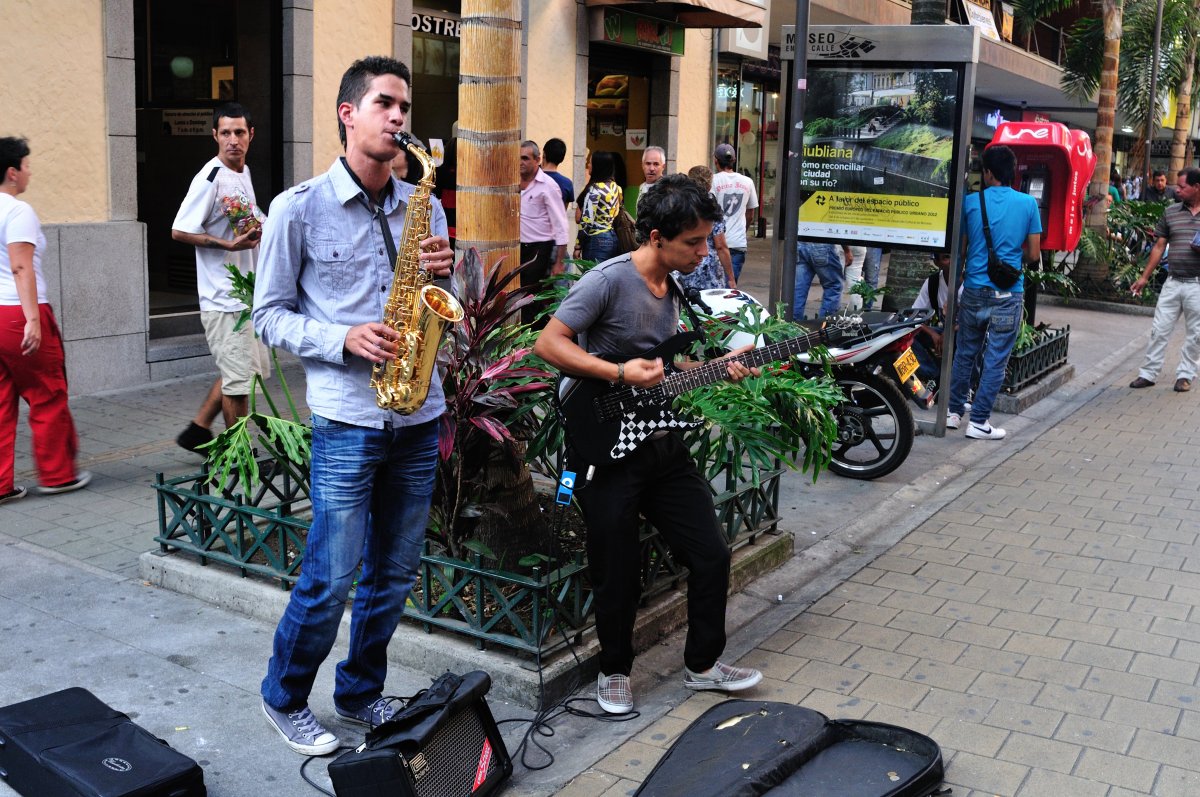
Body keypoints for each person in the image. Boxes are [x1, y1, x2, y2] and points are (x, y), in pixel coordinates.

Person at [252, 55, 454, 756]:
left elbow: (442, 302)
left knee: (394, 573)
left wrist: (447, 271)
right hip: (348, 418)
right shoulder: (297, 207)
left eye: (405, 108)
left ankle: (361, 692)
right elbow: (268, 316)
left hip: (418, 412)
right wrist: (342, 337)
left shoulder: (420, 204)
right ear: (349, 113)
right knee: (332, 573)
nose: (399, 118)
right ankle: (283, 694)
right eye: (386, 104)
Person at [534, 173, 763, 715]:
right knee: (616, 568)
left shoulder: (676, 285)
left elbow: (666, 364)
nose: (703, 251)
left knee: (710, 553)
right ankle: (614, 671)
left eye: (707, 240)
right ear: (656, 236)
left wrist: (716, 369)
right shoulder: (608, 280)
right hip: (606, 446)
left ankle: (703, 665)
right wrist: (617, 372)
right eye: (693, 242)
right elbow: (548, 343)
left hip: (661, 442)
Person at [171, 102, 270, 454]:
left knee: (242, 373)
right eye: (225, 133)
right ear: (215, 135)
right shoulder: (209, 178)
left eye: (239, 132)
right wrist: (227, 243)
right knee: (239, 383)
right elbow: (180, 230)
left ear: (250, 135)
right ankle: (241, 455)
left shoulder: (242, 172)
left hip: (247, 297)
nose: (233, 140)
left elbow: (251, 219)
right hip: (223, 300)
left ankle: (198, 431)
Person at [0, 137, 91, 505]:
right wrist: (33, 321)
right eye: (26, 165)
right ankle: (57, 475)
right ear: (11, 172)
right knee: (47, 393)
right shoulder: (17, 211)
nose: (29, 172)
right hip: (17, 311)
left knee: (2, 400)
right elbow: (21, 266)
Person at [947, 144, 1042, 440]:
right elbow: (1035, 254)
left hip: (974, 290)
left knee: (965, 353)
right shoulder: (1028, 205)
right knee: (996, 358)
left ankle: (952, 412)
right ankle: (979, 422)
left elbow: (961, 250)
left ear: (988, 173)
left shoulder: (971, 203)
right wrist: (1012, 260)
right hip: (1007, 293)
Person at [1128, 167, 1200, 394]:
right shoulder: (1171, 212)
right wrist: (1144, 277)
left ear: (1197, 188)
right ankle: (1148, 374)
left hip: (1197, 285)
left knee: (1196, 334)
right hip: (1173, 281)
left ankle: (1185, 375)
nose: (1176, 190)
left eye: (1182, 187)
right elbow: (1159, 246)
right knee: (1159, 329)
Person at [519, 140, 570, 325]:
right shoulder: (513, 182)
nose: (521, 162)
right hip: (518, 248)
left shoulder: (548, 185)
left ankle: (534, 338)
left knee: (531, 297)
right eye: (519, 158)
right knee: (518, 295)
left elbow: (561, 225)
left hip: (539, 249)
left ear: (538, 159)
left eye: (525, 158)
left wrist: (559, 262)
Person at [674, 165, 734, 292]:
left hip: (684, 265)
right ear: (710, 185)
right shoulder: (711, 207)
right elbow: (721, 246)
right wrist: (731, 278)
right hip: (709, 272)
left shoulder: (680, 204)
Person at [711, 143, 758, 281]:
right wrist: (743, 230)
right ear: (734, 160)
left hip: (716, 242)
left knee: (715, 289)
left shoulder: (713, 181)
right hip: (738, 243)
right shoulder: (748, 182)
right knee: (730, 287)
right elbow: (750, 214)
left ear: (715, 161)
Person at [575, 151, 623, 263]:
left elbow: (586, 222)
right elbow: (616, 213)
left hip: (596, 240)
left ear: (598, 166)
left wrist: (578, 246)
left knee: (593, 276)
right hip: (612, 238)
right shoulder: (616, 188)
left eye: (590, 162)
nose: (588, 165)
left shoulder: (594, 190)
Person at [794, 241, 850, 319]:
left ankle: (793, 324)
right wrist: (847, 250)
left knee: (799, 289)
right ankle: (825, 324)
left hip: (800, 244)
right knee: (833, 287)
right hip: (822, 245)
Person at [541, 137, 574, 208]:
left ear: (544, 154)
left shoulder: (531, 178)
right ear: (562, 159)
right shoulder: (567, 183)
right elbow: (563, 211)